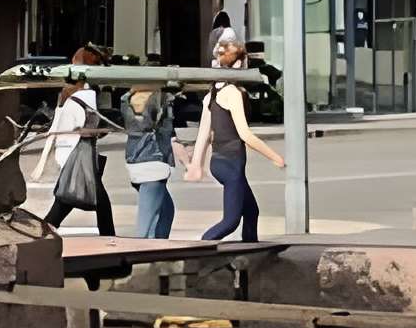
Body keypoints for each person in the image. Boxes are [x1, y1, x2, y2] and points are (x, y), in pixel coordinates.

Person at [187, 55, 285, 242]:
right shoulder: (232, 93)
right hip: (231, 164)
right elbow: (245, 134)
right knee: (231, 221)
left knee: (251, 211)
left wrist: (196, 165)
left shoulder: (211, 94)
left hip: (219, 163)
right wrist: (274, 157)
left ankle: (250, 256)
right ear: (239, 64)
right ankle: (199, 248)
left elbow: (203, 135)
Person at [38, 52, 116, 238]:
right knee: (99, 205)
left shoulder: (67, 94)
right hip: (80, 157)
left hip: (70, 155)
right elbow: (88, 127)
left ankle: (41, 236)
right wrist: (100, 130)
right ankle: (112, 247)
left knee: (66, 203)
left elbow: (57, 127)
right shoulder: (87, 95)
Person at [123, 80, 179, 241]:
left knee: (166, 211)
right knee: (146, 228)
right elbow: (167, 132)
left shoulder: (127, 100)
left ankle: (157, 251)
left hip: (135, 160)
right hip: (154, 164)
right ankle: (143, 257)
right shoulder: (160, 102)